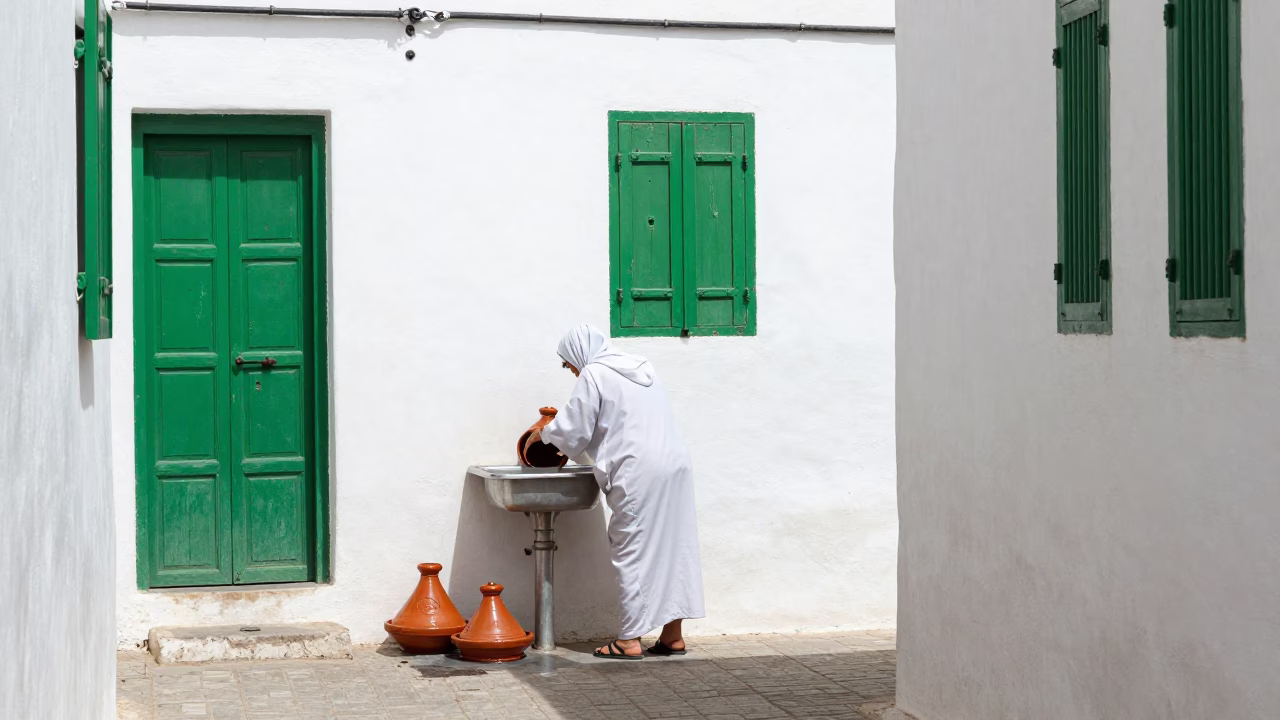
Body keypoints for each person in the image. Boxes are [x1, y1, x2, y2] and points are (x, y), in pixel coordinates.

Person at [525, 324, 705, 659]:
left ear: (580, 353)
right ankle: (672, 635)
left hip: (639, 469)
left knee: (631, 547)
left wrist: (543, 435)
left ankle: (628, 640)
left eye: (568, 364)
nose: (573, 371)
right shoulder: (643, 367)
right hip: (675, 463)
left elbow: (574, 429)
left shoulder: (594, 373)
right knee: (674, 545)